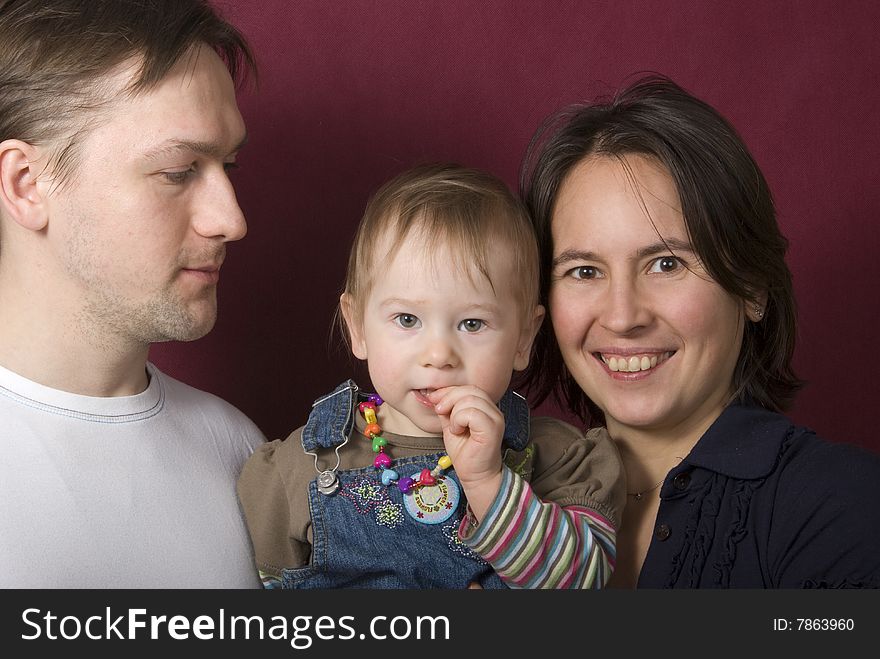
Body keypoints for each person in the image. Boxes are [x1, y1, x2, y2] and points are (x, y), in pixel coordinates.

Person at [520, 74, 880, 588]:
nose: (623, 317)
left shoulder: (844, 504)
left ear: (752, 286)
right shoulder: (492, 492)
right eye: (584, 271)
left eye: (666, 264)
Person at [237, 163, 624, 588]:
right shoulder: (303, 465)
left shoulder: (559, 459)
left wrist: (487, 483)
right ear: (358, 328)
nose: (439, 355)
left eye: (472, 324)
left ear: (523, 339)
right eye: (407, 319)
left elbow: (583, 584)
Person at [0, 0, 267, 588]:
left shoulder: (240, 453)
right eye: (178, 171)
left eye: (230, 166)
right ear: (26, 184)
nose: (232, 220)